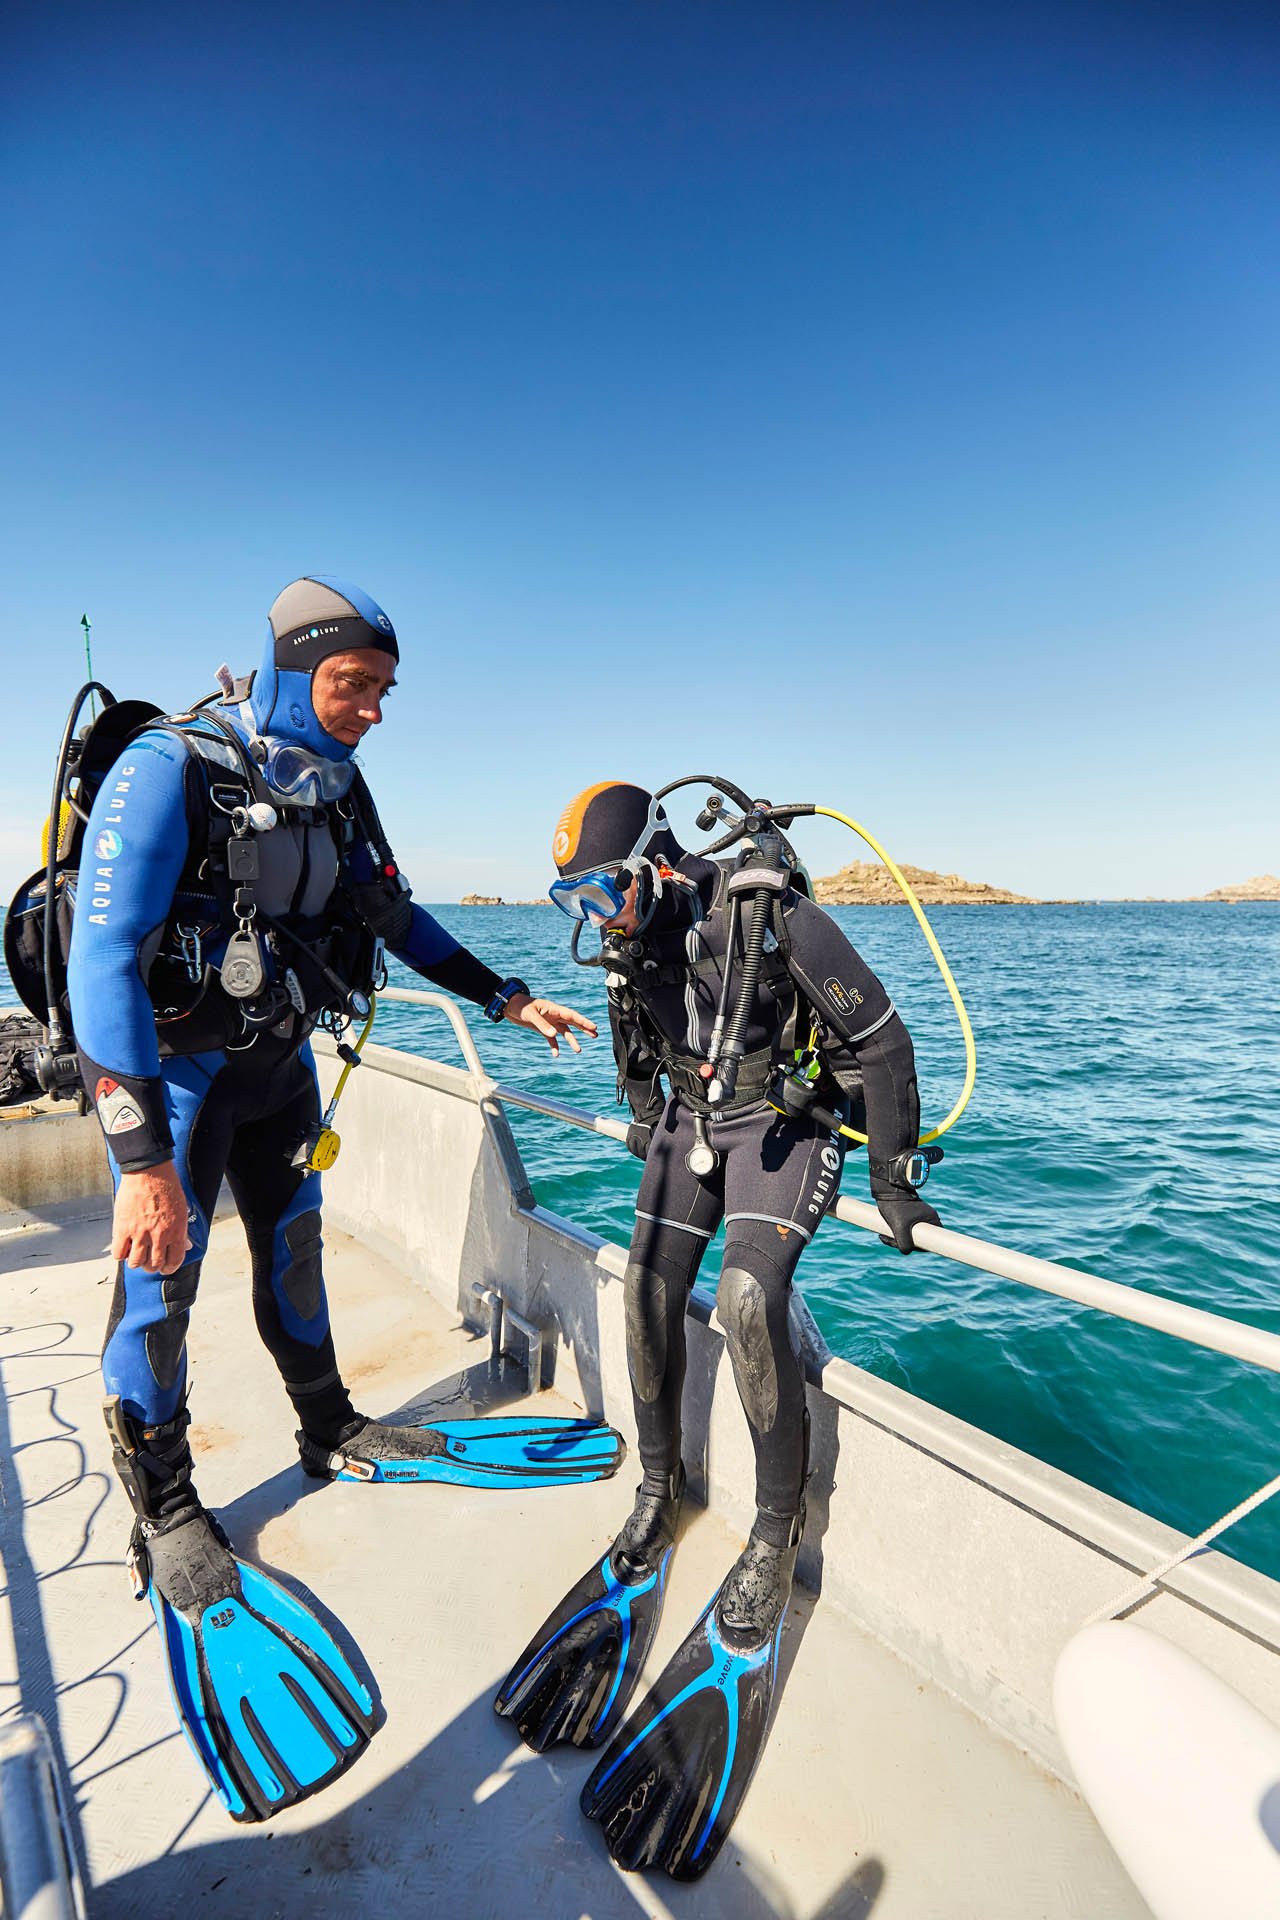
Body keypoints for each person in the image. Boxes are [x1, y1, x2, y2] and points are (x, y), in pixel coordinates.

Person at [66, 576, 621, 1822]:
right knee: (161, 1288)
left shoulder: (339, 786)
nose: (370, 710)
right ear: (289, 667)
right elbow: (99, 959)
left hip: (279, 1064)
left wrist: (503, 996)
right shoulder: (169, 769)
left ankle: (330, 1427)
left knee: (296, 1254)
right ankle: (164, 1506)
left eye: (382, 691)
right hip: (177, 1079)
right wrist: (142, 1159)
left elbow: (393, 912)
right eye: (349, 685)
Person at [495, 779, 941, 1880]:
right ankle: (658, 1495)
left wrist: (892, 1180)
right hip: (697, 1123)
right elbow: (633, 1049)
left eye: (602, 889)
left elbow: (879, 1045)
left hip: (781, 1128)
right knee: (644, 1287)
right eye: (573, 898)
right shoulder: (622, 942)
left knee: (744, 1303)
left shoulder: (764, 913)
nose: (594, 915)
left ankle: (772, 1537)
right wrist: (646, 1121)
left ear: (650, 861)